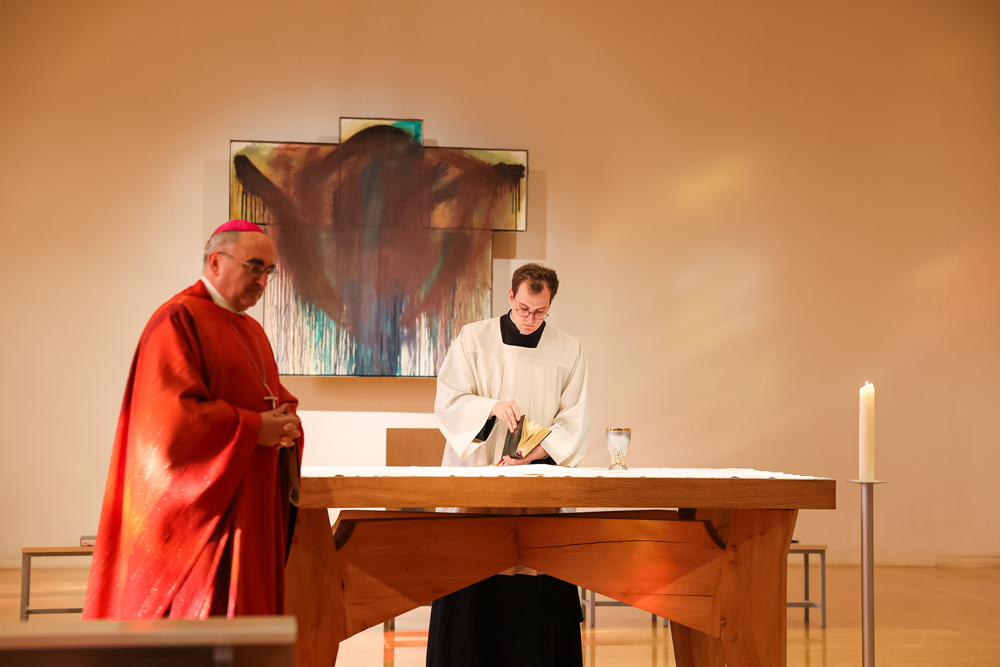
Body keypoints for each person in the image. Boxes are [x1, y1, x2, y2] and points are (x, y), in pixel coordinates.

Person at [83, 220, 304, 620]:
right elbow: (170, 421)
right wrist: (255, 428)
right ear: (216, 262)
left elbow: (272, 395)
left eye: (268, 271)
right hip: (206, 517)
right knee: (206, 624)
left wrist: (287, 423)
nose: (261, 282)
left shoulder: (253, 330)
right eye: (254, 268)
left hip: (251, 503)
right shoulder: (177, 319)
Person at [428, 263, 590, 667]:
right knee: (476, 571)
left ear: (551, 303)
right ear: (511, 296)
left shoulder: (569, 349)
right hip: (479, 477)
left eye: (540, 311)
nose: (530, 319)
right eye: (523, 309)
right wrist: (491, 408)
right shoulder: (473, 338)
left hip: (536, 482)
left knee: (534, 570)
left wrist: (534, 452)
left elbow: (574, 419)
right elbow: (448, 400)